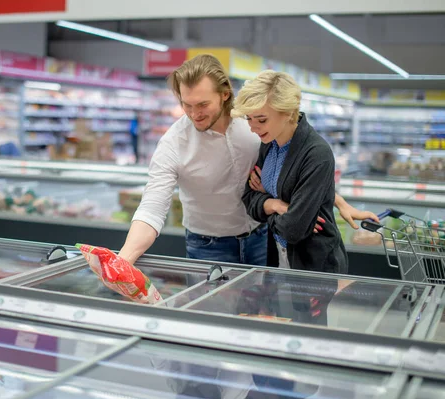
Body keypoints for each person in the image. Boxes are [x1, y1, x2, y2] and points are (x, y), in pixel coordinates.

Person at [118, 54, 376, 267]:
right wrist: (124, 259)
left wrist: (336, 200)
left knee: (261, 319)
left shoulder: (253, 121)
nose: (194, 114)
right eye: (187, 105)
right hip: (208, 248)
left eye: (202, 104)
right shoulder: (174, 143)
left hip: (261, 240)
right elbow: (152, 208)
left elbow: (293, 170)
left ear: (225, 94)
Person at [236, 70, 347, 273]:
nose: (252, 128)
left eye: (261, 120)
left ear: (287, 112)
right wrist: (276, 204)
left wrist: (266, 205)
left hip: (313, 263)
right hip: (276, 255)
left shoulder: (316, 153)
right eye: (249, 119)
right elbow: (248, 199)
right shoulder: (269, 144)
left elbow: (294, 229)